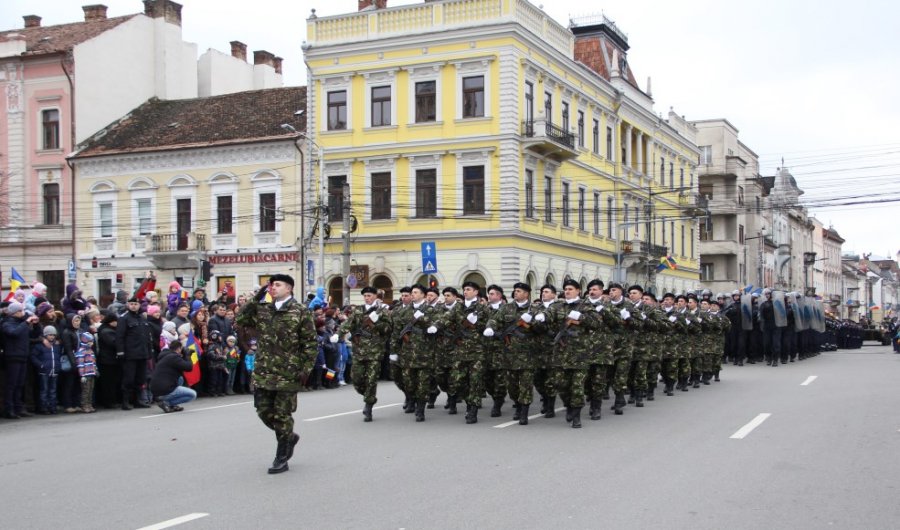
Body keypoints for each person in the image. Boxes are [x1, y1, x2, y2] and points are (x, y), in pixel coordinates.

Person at [235, 274, 317, 474]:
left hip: (288, 372)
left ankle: (281, 457)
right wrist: (256, 298)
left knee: (282, 414)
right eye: (271, 285)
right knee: (263, 411)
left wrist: (305, 369)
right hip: (264, 371)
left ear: (289, 288)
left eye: (277, 285)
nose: (273, 288)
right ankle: (289, 436)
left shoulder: (300, 311)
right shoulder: (263, 309)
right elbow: (241, 319)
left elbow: (310, 343)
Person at [333, 287, 391, 422]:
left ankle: (368, 406)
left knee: (371, 380)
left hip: (375, 352)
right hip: (359, 351)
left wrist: (376, 322)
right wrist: (338, 334)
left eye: (369, 295)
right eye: (365, 296)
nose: (367, 298)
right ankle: (369, 396)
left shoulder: (382, 311)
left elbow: (388, 329)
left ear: (375, 296)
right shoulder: (358, 310)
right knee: (357, 379)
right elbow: (347, 324)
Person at [3, 302, 40, 418]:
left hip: (23, 356)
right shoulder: (6, 323)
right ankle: (9, 409)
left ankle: (19, 408)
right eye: (20, 311)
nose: (23, 313)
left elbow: (34, 335)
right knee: (12, 384)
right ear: (14, 312)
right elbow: (14, 333)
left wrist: (36, 325)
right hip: (12, 357)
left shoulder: (22, 323)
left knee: (20, 384)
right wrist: (26, 322)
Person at [115, 296, 152, 410]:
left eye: (135, 304)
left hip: (142, 353)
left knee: (140, 378)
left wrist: (149, 351)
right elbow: (119, 337)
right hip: (130, 354)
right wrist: (120, 352)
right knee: (129, 379)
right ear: (128, 305)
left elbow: (147, 337)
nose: (133, 306)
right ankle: (125, 401)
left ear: (139, 305)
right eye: (131, 304)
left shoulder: (142, 318)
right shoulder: (124, 318)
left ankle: (138, 400)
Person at [150, 340, 197, 413]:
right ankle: (167, 403)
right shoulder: (173, 357)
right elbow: (188, 367)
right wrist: (188, 355)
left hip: (156, 388)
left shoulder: (165, 356)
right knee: (192, 394)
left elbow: (183, 365)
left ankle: (171, 405)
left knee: (180, 379)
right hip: (164, 390)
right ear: (178, 349)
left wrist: (184, 356)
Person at [30, 325, 63, 414]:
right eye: (50, 335)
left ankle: (52, 407)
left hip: (54, 371)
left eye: (53, 335)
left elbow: (58, 356)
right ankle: (43, 407)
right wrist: (41, 365)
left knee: (53, 390)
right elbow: (33, 356)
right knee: (44, 390)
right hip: (44, 371)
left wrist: (58, 366)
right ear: (45, 335)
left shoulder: (56, 345)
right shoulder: (40, 346)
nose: (52, 337)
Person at [75, 332, 98, 413]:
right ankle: (84, 405)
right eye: (90, 342)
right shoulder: (81, 351)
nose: (91, 343)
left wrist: (96, 370)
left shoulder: (91, 351)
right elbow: (80, 364)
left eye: (92, 342)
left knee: (91, 390)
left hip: (92, 373)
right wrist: (82, 375)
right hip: (85, 375)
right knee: (85, 390)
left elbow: (93, 362)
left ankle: (89, 404)